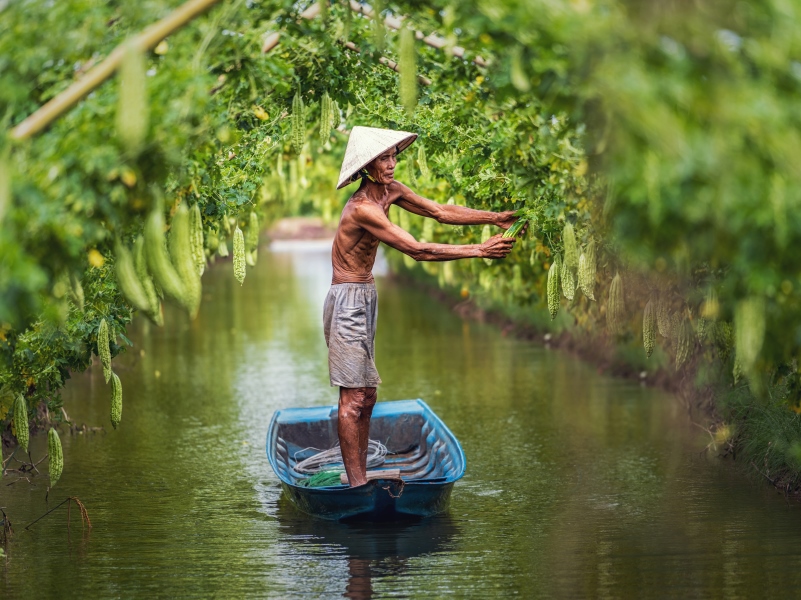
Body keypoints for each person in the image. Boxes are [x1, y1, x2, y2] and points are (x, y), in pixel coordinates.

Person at [325, 126, 520, 487]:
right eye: (384, 158)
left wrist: (494, 217)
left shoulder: (390, 192)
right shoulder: (362, 208)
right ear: (367, 167)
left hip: (366, 295)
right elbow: (417, 249)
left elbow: (441, 212)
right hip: (346, 298)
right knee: (353, 397)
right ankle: (357, 486)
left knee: (368, 395)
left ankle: (361, 477)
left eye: (393, 155)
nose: (392, 163)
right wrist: (479, 250)